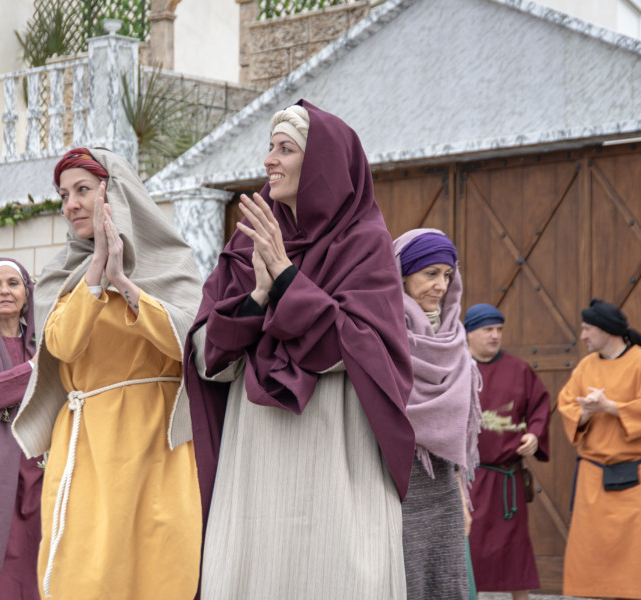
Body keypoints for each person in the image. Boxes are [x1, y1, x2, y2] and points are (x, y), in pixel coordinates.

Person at [183, 101, 415, 599]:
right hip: (255, 462)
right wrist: (258, 296)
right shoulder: (247, 244)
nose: (269, 160)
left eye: (285, 149)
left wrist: (289, 279)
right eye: (270, 147)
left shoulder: (365, 245)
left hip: (335, 453)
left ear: (322, 165)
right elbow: (205, 356)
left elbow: (365, 351)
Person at [11, 147, 203, 599]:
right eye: (63, 195)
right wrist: (97, 270)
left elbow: (191, 345)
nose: (70, 205)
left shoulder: (171, 265)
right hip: (88, 442)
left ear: (114, 193)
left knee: (158, 567)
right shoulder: (61, 274)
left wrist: (127, 285)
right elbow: (61, 344)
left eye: (82, 190)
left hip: (157, 440)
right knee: (86, 574)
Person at [393, 228, 482, 600]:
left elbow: (458, 437)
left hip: (443, 489)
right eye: (430, 273)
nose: (441, 285)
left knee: (445, 583)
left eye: (447, 275)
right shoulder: (380, 334)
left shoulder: (455, 340)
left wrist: (460, 496)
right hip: (391, 489)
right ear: (401, 274)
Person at [464, 303, 550, 600]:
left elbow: (539, 407)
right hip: (471, 480)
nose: (495, 335)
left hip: (507, 481)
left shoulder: (519, 369)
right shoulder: (457, 369)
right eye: (488, 329)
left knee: (515, 552)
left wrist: (534, 434)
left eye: (499, 329)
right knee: (470, 550)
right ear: (469, 333)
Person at [559, 299, 641, 600]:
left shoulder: (638, 361)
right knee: (593, 564)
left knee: (633, 564)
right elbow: (567, 405)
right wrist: (586, 413)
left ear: (606, 331)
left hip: (634, 479)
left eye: (587, 329)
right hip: (592, 479)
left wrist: (611, 407)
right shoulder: (586, 366)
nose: (582, 336)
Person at [0, 258, 41, 600]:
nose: (4, 291)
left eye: (13, 283)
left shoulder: (40, 344)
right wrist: (33, 371)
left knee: (37, 549)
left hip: (38, 461)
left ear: (26, 293)